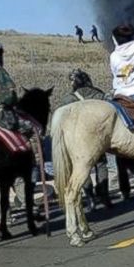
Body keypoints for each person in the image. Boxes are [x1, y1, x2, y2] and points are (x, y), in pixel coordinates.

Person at [53, 69, 113, 208]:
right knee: (101, 164)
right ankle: (104, 196)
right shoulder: (98, 94)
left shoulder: (68, 99)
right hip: (99, 135)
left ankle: (90, 197)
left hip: (79, 138)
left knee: (81, 166)